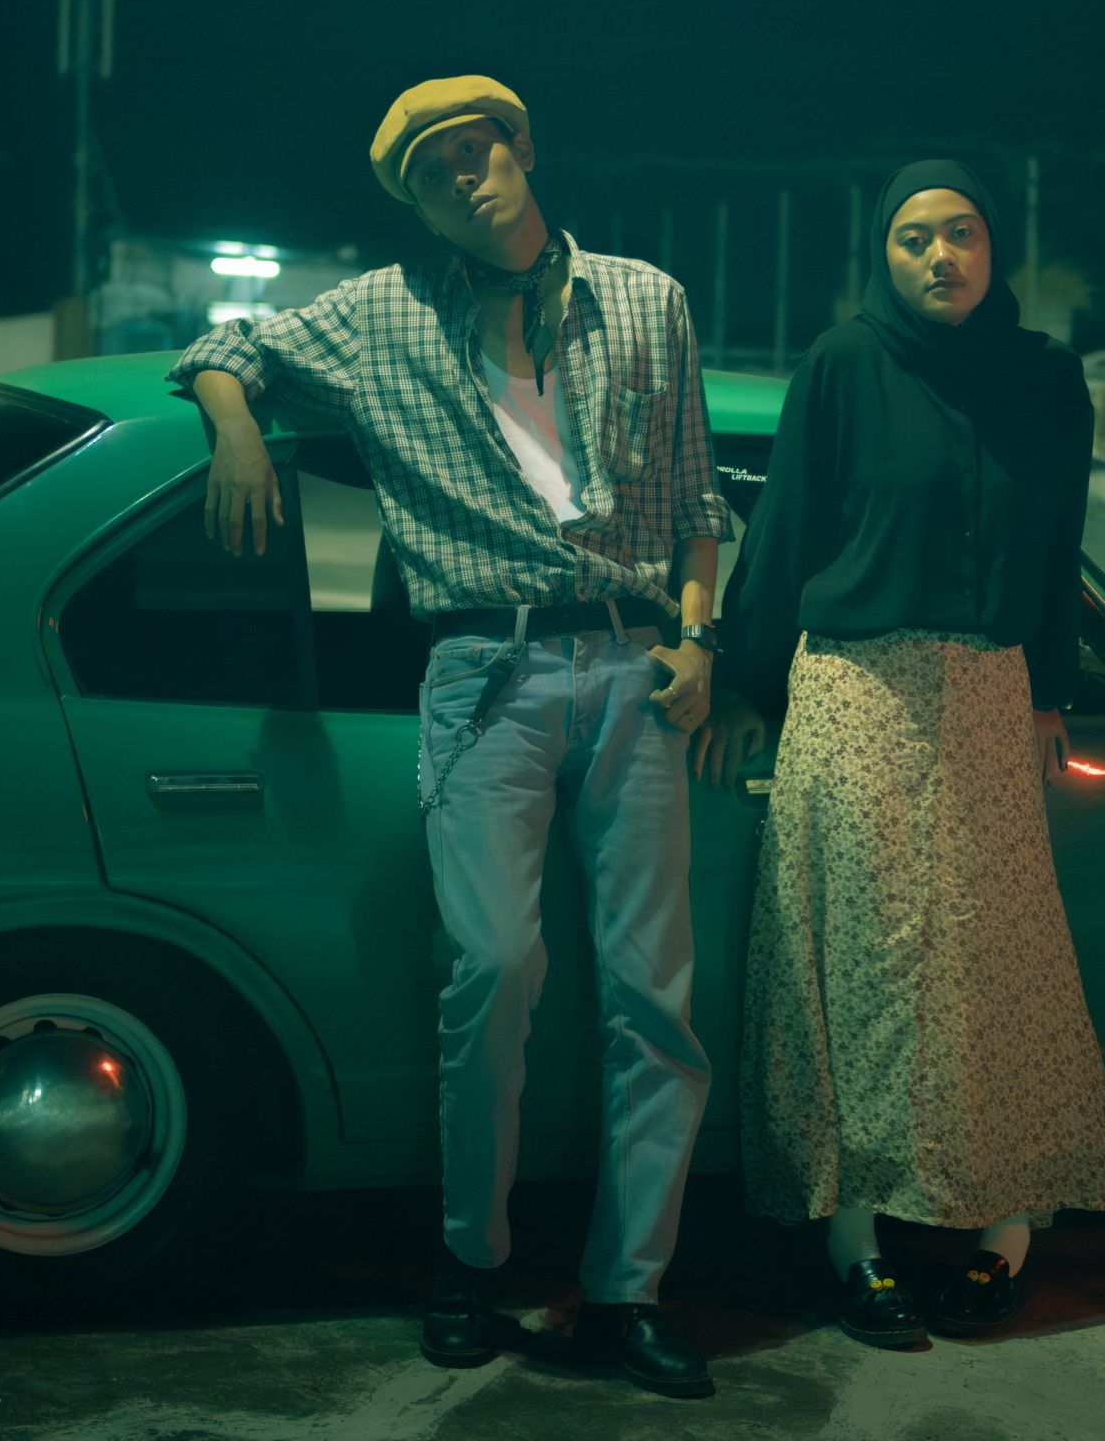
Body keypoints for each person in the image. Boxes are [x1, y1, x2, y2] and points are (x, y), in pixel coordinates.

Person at [171, 76, 729, 1399]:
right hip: (486, 670)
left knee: (655, 996)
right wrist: (236, 427)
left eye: (475, 152)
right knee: (492, 967)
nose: (461, 178)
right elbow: (224, 343)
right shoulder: (382, 313)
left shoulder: (646, 297)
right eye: (432, 173)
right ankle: (471, 1258)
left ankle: (628, 1291)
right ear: (416, 204)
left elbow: (698, 499)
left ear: (523, 150)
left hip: (638, 661)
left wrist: (703, 640)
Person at [710, 158, 1105, 1345]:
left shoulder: (1046, 380)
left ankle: (1006, 1229)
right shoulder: (844, 363)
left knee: (998, 967)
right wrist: (744, 683)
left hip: (992, 696)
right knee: (853, 968)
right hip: (853, 690)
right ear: (884, 254)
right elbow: (783, 532)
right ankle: (853, 1240)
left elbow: (1057, 543)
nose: (940, 257)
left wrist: (1048, 688)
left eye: (960, 233)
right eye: (913, 238)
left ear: (994, 247)